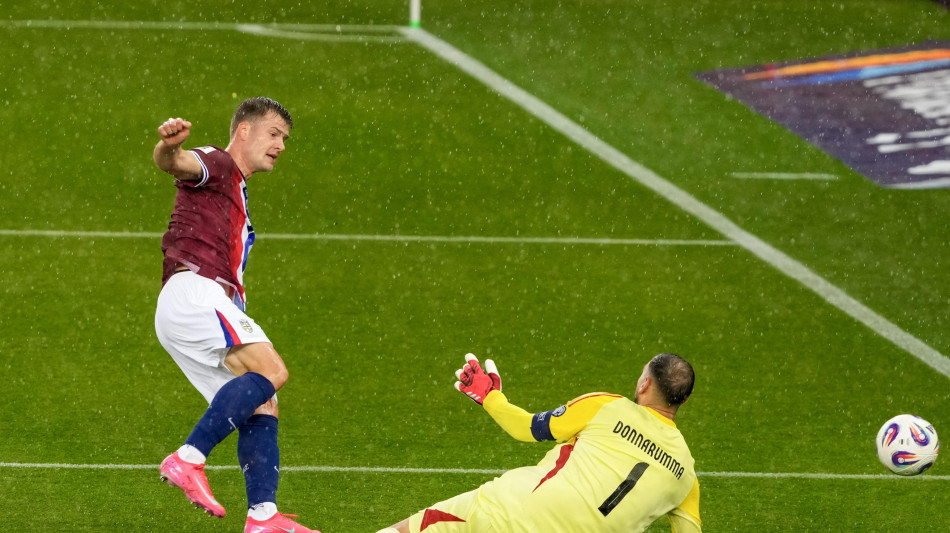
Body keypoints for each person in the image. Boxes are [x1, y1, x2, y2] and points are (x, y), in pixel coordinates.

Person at [152, 97, 320, 533]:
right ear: (244, 130)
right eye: (274, 134)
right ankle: (188, 458)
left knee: (263, 402)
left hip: (192, 302)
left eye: (285, 138)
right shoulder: (219, 163)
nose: (281, 145)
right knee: (272, 370)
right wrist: (169, 147)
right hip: (195, 292)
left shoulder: (235, 187)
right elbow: (176, 164)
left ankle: (263, 516)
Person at [378, 352, 701, 533]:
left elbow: (526, 428)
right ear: (684, 401)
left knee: (412, 528)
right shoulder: (686, 475)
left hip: (513, 513)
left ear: (644, 384)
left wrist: (490, 397)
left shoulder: (607, 405)